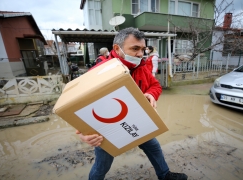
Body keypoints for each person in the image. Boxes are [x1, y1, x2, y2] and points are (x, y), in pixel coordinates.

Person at [75, 27, 188, 180]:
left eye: (142, 49)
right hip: (107, 129)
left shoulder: (141, 67)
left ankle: (164, 175)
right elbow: (76, 105)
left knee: (153, 146)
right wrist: (84, 134)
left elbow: (156, 86)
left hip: (137, 122)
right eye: (135, 49)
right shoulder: (98, 72)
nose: (140, 54)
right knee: (102, 165)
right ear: (117, 48)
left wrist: (150, 94)